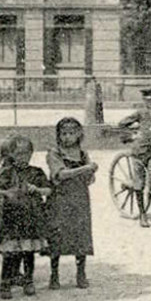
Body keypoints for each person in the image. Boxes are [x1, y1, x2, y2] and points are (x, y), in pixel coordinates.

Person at [43, 117, 97, 290]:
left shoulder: (82, 153)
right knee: (57, 234)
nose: (67, 137)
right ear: (58, 135)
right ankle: (54, 274)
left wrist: (91, 172)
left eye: (71, 133)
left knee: (80, 234)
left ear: (79, 134)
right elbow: (60, 174)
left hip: (79, 198)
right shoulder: (54, 152)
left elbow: (90, 179)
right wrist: (85, 169)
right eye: (64, 133)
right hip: (60, 199)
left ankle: (81, 273)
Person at [0, 135, 51, 298]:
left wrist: (38, 190)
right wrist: (8, 193)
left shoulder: (36, 172)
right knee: (10, 253)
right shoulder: (7, 173)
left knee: (28, 252)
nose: (23, 157)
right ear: (11, 154)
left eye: (26, 154)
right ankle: (5, 284)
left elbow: (48, 190)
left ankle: (28, 280)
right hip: (11, 219)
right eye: (19, 154)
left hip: (30, 218)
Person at [117, 88, 151, 225]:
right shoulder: (140, 114)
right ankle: (143, 215)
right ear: (144, 101)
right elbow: (122, 124)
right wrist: (132, 135)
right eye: (148, 99)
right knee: (139, 184)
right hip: (139, 153)